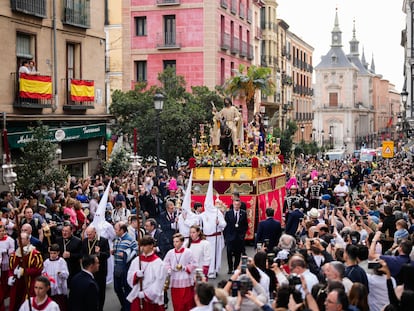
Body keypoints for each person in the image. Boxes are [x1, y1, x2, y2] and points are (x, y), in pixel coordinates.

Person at [126, 235, 167, 310]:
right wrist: (136, 275)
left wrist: (146, 294)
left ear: (151, 245)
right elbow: (130, 275)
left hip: (152, 299)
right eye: (141, 245)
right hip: (138, 295)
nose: (142, 248)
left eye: (145, 245)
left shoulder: (159, 263)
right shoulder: (136, 261)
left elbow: (159, 282)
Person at [8, 232, 43, 311]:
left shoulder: (35, 254)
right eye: (18, 239)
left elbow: (38, 269)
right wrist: (10, 276)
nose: (19, 240)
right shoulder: (14, 255)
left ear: (28, 240)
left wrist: (24, 271)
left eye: (22, 239)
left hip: (29, 284)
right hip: (16, 285)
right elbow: (11, 268)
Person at [164, 233, 196, 311]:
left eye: (177, 241)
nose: (175, 243)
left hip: (185, 278)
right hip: (175, 279)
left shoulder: (188, 252)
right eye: (174, 241)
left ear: (182, 242)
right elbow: (165, 263)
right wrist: (169, 269)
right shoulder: (170, 252)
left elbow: (194, 263)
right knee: (177, 302)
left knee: (187, 301)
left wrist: (184, 267)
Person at [82, 225, 110, 311]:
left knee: (100, 292)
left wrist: (99, 253)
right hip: (88, 271)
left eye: (90, 234)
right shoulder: (85, 241)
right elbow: (83, 254)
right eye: (87, 234)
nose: (88, 236)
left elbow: (108, 255)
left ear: (95, 232)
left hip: (100, 271)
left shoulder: (103, 241)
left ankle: (100, 308)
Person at [113, 221, 138, 311]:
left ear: (122, 230)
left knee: (127, 288)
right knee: (117, 288)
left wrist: (126, 255)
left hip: (126, 268)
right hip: (117, 266)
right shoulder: (116, 238)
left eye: (116, 229)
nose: (114, 231)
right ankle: (124, 304)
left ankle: (127, 307)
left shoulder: (130, 239)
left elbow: (136, 250)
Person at [42, 243, 69, 311]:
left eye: (54, 253)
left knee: (61, 306)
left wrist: (60, 273)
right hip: (50, 288)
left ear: (58, 253)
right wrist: (45, 276)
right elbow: (43, 272)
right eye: (51, 253)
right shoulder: (46, 262)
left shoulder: (62, 261)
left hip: (60, 287)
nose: (52, 255)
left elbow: (66, 275)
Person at [224, 198, 248, 274]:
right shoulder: (228, 213)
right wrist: (227, 236)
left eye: (238, 205)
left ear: (240, 205)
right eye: (235, 204)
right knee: (229, 253)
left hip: (239, 237)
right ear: (233, 204)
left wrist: (242, 234)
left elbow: (245, 225)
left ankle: (236, 267)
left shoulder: (243, 213)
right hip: (230, 237)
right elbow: (226, 225)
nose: (236, 206)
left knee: (238, 254)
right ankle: (230, 268)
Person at [0, 221, 15, 311]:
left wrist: (7, 251)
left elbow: (12, 251)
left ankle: (6, 298)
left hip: (6, 264)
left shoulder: (9, 240)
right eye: (0, 231)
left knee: (6, 282)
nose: (1, 233)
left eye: (2, 231)